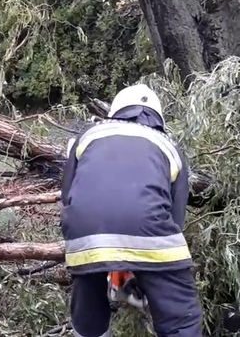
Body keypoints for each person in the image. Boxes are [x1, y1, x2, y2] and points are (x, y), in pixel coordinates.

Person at [60, 84, 203, 337]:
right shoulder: (168, 146)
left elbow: (68, 195)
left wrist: (120, 260)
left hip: (84, 236)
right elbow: (175, 219)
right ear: (158, 119)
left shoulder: (88, 136)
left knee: (88, 306)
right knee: (181, 317)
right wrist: (149, 270)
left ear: (115, 112)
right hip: (149, 232)